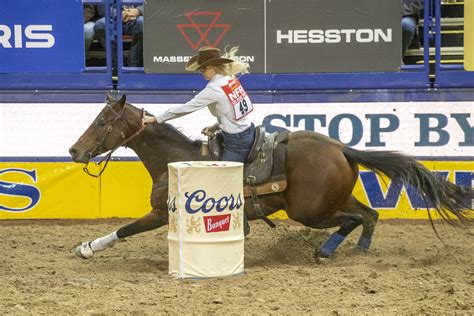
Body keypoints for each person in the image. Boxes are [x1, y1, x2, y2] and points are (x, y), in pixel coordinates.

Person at [143, 46, 255, 164]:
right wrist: (216, 126)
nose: (201, 72)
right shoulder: (229, 79)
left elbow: (186, 108)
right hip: (246, 131)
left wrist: (156, 118)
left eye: (204, 68)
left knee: (224, 178)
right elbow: (231, 113)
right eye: (201, 69)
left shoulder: (214, 89)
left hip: (237, 141)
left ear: (215, 67)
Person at [95, 3, 144, 67]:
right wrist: (119, 14)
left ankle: (133, 64)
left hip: (136, 17)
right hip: (114, 18)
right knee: (101, 24)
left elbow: (153, 3)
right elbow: (102, 8)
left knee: (142, 22)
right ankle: (117, 65)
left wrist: (138, 10)